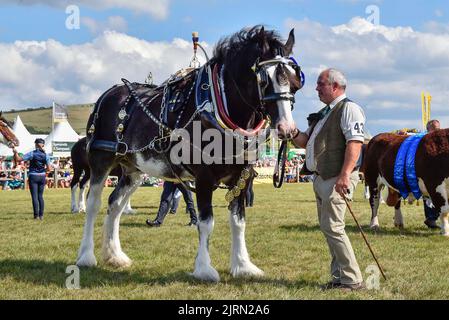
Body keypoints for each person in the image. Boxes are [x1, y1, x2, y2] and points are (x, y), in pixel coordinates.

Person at [291, 68, 365, 291]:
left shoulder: (349, 108)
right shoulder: (325, 113)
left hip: (337, 178)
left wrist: (344, 176)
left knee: (333, 227)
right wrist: (291, 131)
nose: (316, 88)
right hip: (322, 178)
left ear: (335, 86)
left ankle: (352, 280)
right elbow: (304, 141)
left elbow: (355, 143)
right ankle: (339, 277)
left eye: (320, 84)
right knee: (328, 228)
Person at [12, 138, 51, 220]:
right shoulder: (46, 155)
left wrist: (15, 152)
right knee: (40, 196)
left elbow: (18, 159)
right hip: (42, 176)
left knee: (34, 196)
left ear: (35, 144)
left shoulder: (32, 153)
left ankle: (36, 216)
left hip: (33, 176)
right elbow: (49, 169)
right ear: (43, 145)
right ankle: (41, 215)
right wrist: (44, 172)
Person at [423, 119, 441, 229]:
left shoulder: (441, 139)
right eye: (434, 128)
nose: (436, 131)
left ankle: (433, 218)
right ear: (428, 129)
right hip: (428, 174)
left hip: (441, 173)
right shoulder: (424, 140)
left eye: (438, 128)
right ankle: (431, 218)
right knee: (429, 196)